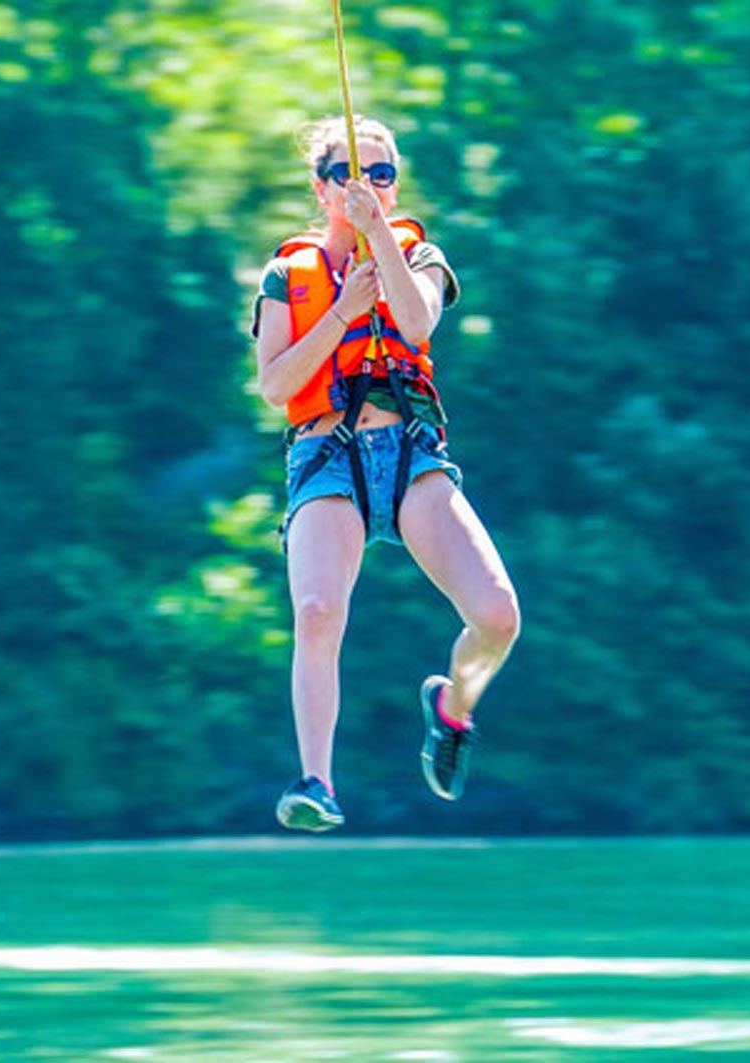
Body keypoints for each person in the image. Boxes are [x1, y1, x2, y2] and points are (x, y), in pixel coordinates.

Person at [251, 115, 520, 831]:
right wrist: (341, 311)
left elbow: (416, 322)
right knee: (316, 611)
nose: (364, 186)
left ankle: (452, 707)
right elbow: (276, 384)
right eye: (347, 174)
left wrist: (381, 249)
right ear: (321, 188)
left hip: (407, 451)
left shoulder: (418, 254)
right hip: (326, 450)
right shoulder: (288, 275)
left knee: (498, 617)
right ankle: (317, 780)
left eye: (380, 175)